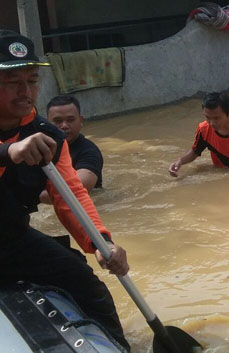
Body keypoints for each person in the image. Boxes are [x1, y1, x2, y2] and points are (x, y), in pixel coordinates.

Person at [0, 30, 130, 351]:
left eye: (32, 80)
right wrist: (8, 152)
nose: (25, 90)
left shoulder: (46, 135)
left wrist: (101, 241)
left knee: (90, 287)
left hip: (11, 238)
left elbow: (70, 195)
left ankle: (121, 346)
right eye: (13, 80)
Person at [40, 94, 103, 204]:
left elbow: (75, 191)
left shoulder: (89, 151)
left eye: (70, 120)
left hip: (87, 206)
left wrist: (30, 195)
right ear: (47, 123)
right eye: (57, 121)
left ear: (80, 121)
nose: (64, 125)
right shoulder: (40, 147)